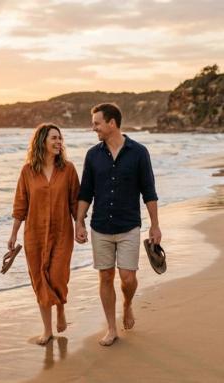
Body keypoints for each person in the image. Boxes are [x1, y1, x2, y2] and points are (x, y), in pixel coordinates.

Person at [75, 103, 161, 346]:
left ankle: (127, 303)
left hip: (129, 226)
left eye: (97, 123)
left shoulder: (139, 152)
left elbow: (149, 192)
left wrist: (155, 226)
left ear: (111, 123)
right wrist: (79, 222)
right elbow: (85, 192)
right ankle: (112, 328)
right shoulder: (92, 155)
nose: (94, 128)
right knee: (105, 276)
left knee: (127, 278)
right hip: (100, 226)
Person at [8, 123, 80, 346]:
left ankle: (60, 308)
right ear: (42, 142)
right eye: (54, 138)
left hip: (62, 232)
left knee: (58, 274)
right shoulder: (28, 171)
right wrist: (13, 235)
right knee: (40, 278)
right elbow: (21, 205)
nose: (59, 142)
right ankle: (47, 330)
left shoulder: (68, 169)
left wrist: (80, 226)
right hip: (35, 234)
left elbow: (75, 203)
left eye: (60, 138)